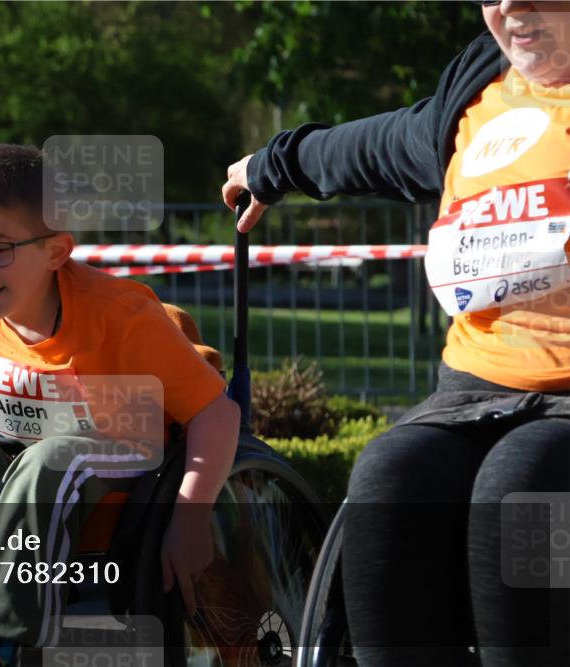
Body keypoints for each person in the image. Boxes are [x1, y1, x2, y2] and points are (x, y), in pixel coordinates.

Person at [222, 1, 569, 665]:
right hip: (473, 391)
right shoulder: (479, 92)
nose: (513, 7)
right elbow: (378, 145)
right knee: (390, 474)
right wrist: (274, 164)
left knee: (519, 482)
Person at [0, 143, 239, 667]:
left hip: (122, 446)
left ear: (56, 251)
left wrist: (190, 517)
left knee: (47, 463)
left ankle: (0, 645)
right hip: (7, 438)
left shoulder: (121, 317)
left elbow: (216, 411)